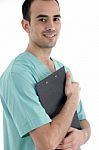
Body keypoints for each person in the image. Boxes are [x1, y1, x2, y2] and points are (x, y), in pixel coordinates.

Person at [0, 0, 91, 150]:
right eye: (42, 19)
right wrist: (73, 98)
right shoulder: (17, 75)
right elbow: (47, 144)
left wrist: (83, 136)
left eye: (56, 19)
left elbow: (83, 122)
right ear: (26, 25)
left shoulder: (63, 69)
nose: (51, 26)